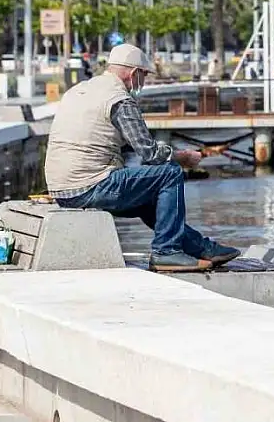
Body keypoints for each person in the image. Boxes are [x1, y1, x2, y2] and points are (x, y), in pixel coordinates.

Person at [44, 44, 239, 273]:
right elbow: (149, 153)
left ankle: (201, 248)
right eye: (145, 75)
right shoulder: (120, 100)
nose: (144, 81)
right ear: (134, 73)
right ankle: (167, 252)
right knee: (169, 173)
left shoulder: (79, 91)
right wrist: (182, 157)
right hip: (89, 186)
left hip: (61, 189)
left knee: (150, 196)